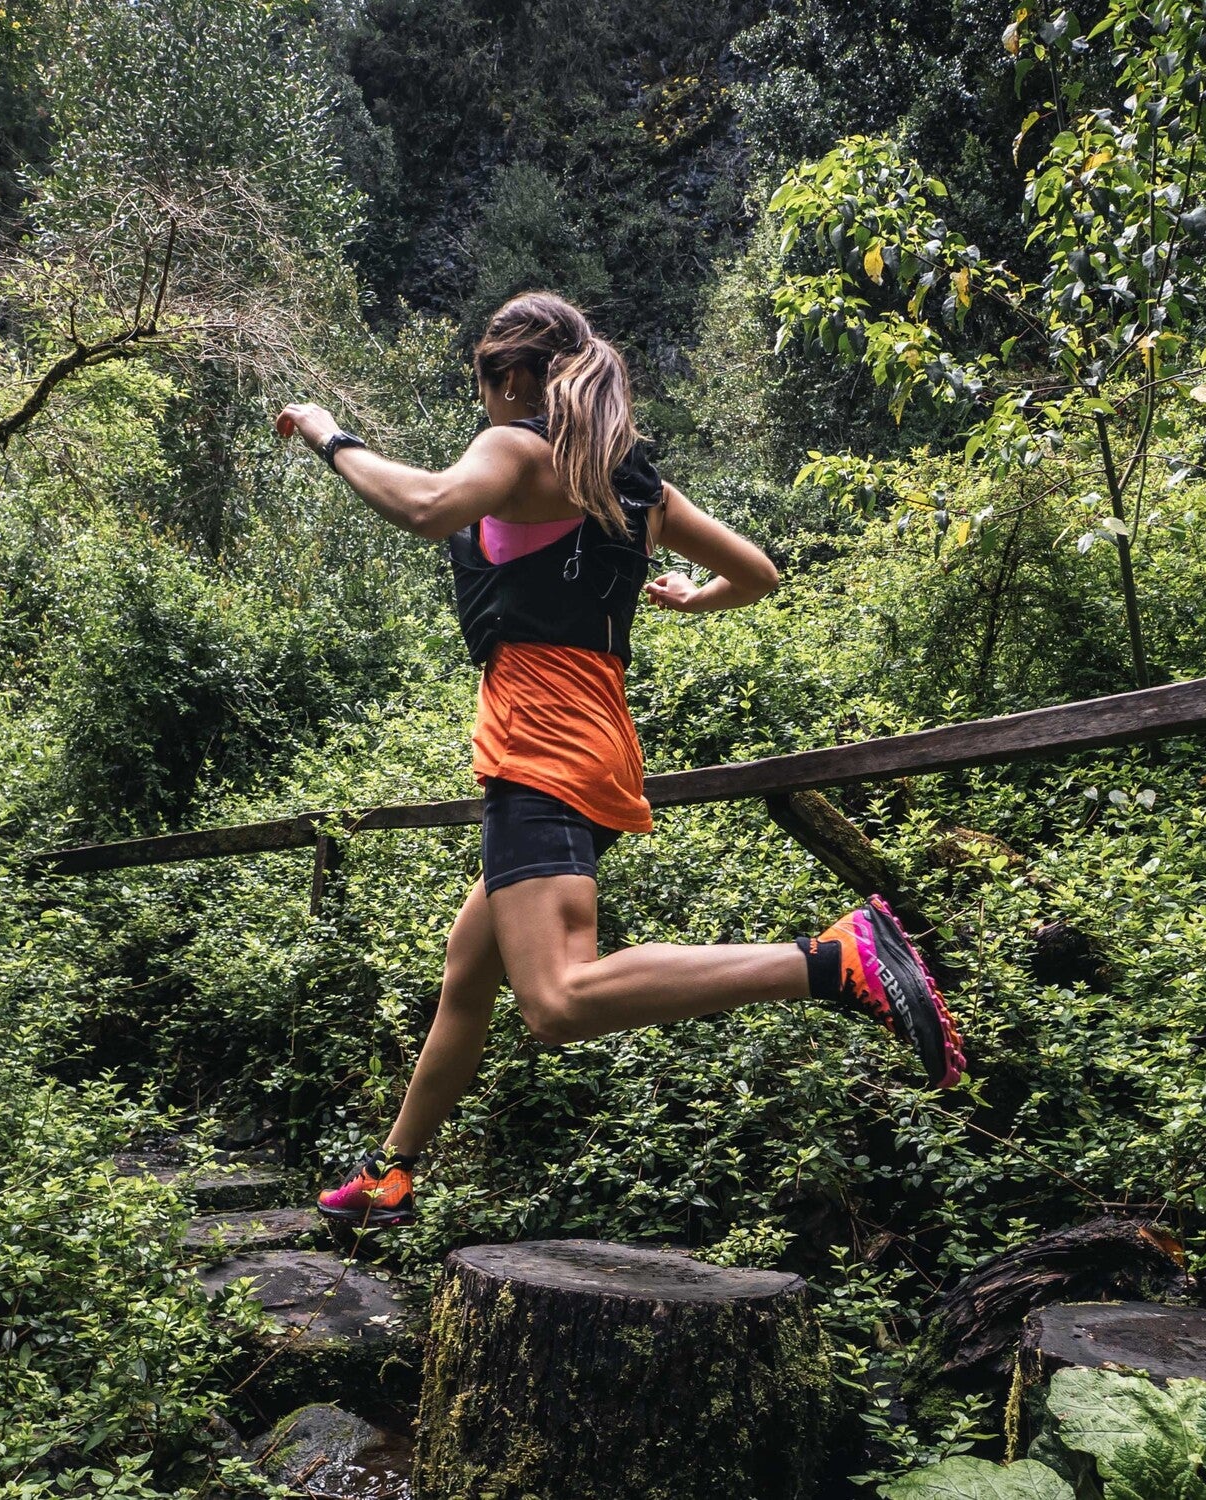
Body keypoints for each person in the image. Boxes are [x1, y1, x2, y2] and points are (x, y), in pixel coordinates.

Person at [275, 291, 965, 1230]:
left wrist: (327, 431)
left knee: (554, 1002)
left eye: (484, 380)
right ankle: (393, 1170)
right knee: (469, 970)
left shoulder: (518, 447)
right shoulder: (634, 486)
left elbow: (428, 506)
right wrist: (687, 599)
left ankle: (831, 960)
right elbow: (757, 573)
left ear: (513, 377)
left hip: (540, 749)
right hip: (598, 749)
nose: (484, 400)